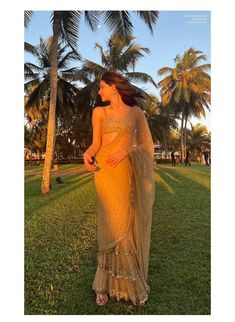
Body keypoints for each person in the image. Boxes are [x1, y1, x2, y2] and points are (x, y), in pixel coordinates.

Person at [83, 71, 155, 306]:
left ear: (114, 87)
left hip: (125, 174)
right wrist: (87, 154)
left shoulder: (136, 113)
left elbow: (147, 147)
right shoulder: (99, 112)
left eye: (102, 86)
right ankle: (103, 284)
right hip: (105, 173)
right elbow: (96, 144)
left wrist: (127, 151)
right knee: (108, 225)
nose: (99, 91)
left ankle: (130, 283)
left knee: (124, 222)